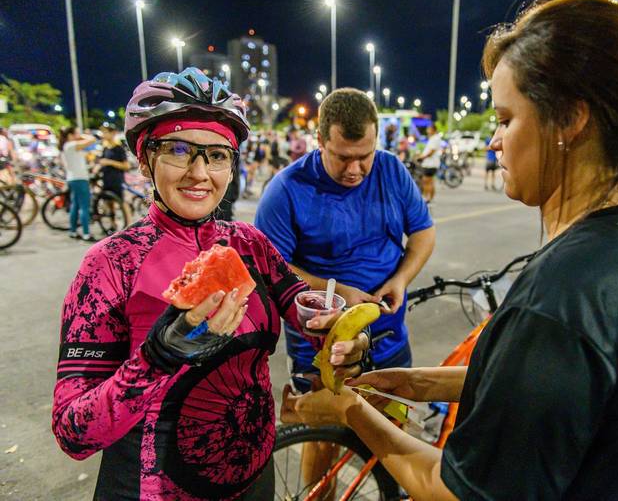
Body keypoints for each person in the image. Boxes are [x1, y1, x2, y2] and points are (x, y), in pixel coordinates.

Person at [282, 0, 618, 499]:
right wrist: (415, 383)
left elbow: (454, 492)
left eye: (506, 119)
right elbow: (547, 391)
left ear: (570, 120)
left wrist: (349, 410)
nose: (494, 141)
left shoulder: (563, 297)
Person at [51, 68, 368, 500]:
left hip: (255, 482)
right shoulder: (110, 264)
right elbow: (73, 433)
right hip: (152, 490)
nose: (199, 173)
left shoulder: (251, 245)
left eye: (217, 155)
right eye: (178, 150)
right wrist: (156, 358)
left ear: (231, 167)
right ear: (144, 161)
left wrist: (347, 338)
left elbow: (311, 316)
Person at [255, 87, 435, 495]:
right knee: (325, 440)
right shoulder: (287, 189)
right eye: (342, 157)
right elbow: (270, 266)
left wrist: (401, 280)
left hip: (389, 340)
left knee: (392, 430)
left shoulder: (391, 171)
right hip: (322, 350)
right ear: (319, 141)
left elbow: (423, 233)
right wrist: (337, 292)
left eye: (364, 156)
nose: (355, 170)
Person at [59, 126, 98, 241]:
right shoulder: (71, 145)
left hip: (73, 178)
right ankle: (86, 233)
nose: (78, 135)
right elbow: (92, 139)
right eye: (76, 133)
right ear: (70, 135)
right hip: (80, 179)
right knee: (84, 206)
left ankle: (73, 231)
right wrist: (81, 136)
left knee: (75, 205)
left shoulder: (68, 146)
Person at [97, 124, 131, 231]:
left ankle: (129, 227)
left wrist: (110, 162)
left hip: (117, 179)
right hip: (106, 179)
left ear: (113, 133)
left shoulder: (119, 148)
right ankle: (113, 224)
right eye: (103, 132)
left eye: (106, 132)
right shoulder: (105, 148)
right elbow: (101, 162)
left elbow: (126, 166)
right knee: (109, 203)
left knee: (122, 202)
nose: (104, 134)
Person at [416, 124, 441, 202]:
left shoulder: (435, 139)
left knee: (426, 181)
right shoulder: (433, 138)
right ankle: (430, 198)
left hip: (430, 164)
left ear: (433, 130)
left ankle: (426, 197)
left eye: (429, 129)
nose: (427, 131)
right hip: (431, 163)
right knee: (430, 181)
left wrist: (422, 157)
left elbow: (431, 152)